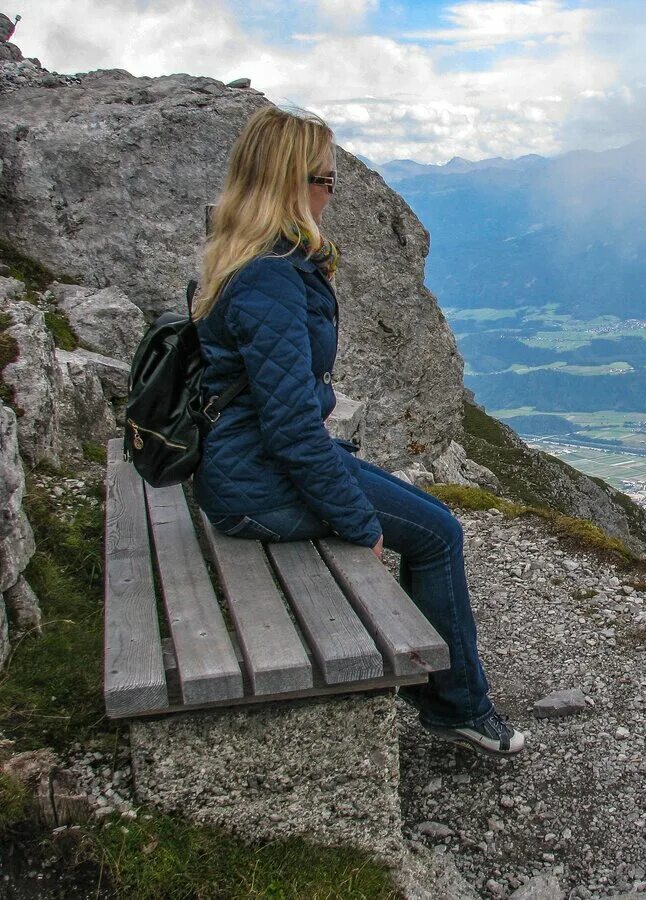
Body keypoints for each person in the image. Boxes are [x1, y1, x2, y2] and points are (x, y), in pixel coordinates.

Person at [190, 105, 524, 757]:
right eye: (325, 180)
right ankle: (457, 707)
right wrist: (357, 523)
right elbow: (288, 428)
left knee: (432, 520)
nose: (330, 193)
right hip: (255, 485)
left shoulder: (251, 261)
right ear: (290, 185)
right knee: (437, 534)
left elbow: (273, 399)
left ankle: (448, 696)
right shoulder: (268, 277)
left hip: (249, 466)